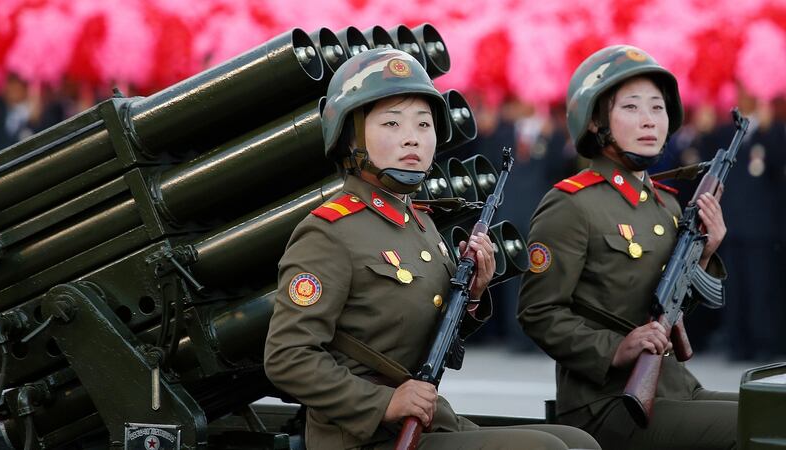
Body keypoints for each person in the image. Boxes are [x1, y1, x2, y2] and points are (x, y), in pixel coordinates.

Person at [265, 48, 600, 450]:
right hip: (363, 437)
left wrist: (471, 296)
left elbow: (432, 339)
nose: (413, 137)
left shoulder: (420, 224)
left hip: (425, 422)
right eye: (392, 123)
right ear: (350, 138)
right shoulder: (329, 233)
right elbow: (287, 357)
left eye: (423, 124)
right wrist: (384, 402)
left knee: (579, 443)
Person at [518, 45, 738, 450]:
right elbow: (538, 313)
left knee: (772, 411)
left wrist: (705, 254)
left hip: (673, 387)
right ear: (595, 121)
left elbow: (668, 308)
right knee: (755, 427)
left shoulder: (666, 204)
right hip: (605, 402)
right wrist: (616, 348)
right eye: (632, 107)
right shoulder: (571, 204)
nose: (649, 120)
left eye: (657, 107)